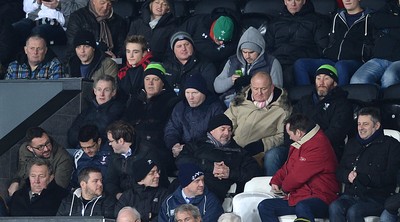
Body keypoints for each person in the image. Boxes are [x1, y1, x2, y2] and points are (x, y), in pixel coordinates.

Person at [258, 113, 340, 222]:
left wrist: (284, 189)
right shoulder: (302, 143)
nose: (290, 138)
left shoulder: (318, 145)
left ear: (299, 132)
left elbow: (297, 176)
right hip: (301, 196)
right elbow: (288, 166)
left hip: (321, 197)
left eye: (290, 134)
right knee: (265, 206)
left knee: (303, 206)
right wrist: (276, 180)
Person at [329, 107, 400, 222]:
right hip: (352, 195)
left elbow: (391, 176)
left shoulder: (391, 145)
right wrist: (347, 175)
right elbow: (339, 170)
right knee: (334, 207)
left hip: (377, 197)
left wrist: (366, 178)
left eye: (365, 124)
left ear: (376, 126)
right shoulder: (352, 144)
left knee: (354, 211)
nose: (361, 128)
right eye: (359, 124)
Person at [176, 114, 262, 202]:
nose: (227, 133)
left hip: (213, 192)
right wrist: (211, 167)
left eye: (229, 130)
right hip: (187, 184)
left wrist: (230, 173)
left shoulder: (238, 151)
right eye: (223, 129)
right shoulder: (197, 144)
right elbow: (181, 160)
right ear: (212, 130)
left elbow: (255, 172)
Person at [294, 0, 373, 86]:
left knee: (341, 66)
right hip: (332, 60)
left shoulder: (370, 18)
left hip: (356, 62)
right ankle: (308, 98)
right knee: (300, 64)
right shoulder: (336, 16)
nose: (347, 0)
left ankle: (339, 97)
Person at [224, 71, 291, 167]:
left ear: (272, 87)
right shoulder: (241, 101)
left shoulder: (282, 109)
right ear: (251, 87)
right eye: (255, 89)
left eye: (263, 89)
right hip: (234, 148)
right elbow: (228, 120)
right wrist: (228, 136)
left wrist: (262, 144)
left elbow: (282, 136)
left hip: (260, 153)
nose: (259, 93)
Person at [123, 62, 178, 173]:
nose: (150, 83)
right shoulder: (134, 100)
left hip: (157, 149)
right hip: (132, 147)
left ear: (163, 83)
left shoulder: (171, 102)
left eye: (155, 79)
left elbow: (168, 131)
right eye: (147, 79)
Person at [292, 64, 353, 161]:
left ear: (335, 83)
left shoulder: (343, 104)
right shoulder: (304, 101)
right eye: (318, 78)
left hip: (327, 150)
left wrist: (311, 145)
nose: (321, 82)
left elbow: (336, 132)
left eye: (326, 78)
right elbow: (292, 123)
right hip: (299, 146)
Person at [265, 0, 330, 88]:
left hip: (300, 61)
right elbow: (267, 48)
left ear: (304, 1)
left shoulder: (317, 21)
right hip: (278, 62)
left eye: (297, 0)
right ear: (285, 2)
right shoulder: (275, 22)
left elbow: (322, 48)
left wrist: (300, 55)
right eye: (289, 0)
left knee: (289, 74)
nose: (293, 3)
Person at [214, 26, 283, 106]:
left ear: (259, 50)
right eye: (244, 52)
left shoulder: (272, 63)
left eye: (251, 52)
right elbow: (217, 87)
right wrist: (231, 80)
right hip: (231, 101)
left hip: (259, 103)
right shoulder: (232, 61)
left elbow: (278, 90)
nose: (247, 56)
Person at [105, 120, 169, 200]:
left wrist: (130, 198)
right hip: (123, 199)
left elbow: (153, 182)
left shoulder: (147, 152)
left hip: (147, 199)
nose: (109, 144)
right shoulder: (114, 154)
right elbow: (110, 181)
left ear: (121, 141)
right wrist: (117, 194)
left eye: (111, 141)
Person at [164, 74, 225, 158]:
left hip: (207, 152)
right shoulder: (180, 107)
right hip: (182, 152)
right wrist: (174, 145)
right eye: (187, 93)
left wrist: (191, 148)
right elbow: (172, 129)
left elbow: (217, 135)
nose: (190, 97)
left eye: (195, 93)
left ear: (203, 93)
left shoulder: (215, 107)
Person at [8, 127, 73, 197]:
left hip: (48, 196)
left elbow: (58, 190)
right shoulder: (24, 150)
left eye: (48, 143)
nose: (46, 149)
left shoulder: (63, 158)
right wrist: (15, 182)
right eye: (40, 147)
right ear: (30, 148)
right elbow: (21, 172)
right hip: (26, 191)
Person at [350, 0, 400, 89]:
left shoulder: (389, 12)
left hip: (398, 60)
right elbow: (376, 20)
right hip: (379, 57)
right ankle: (376, 97)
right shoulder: (390, 6)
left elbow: (383, 22)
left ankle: (385, 101)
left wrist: (387, 30)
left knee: (389, 77)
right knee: (357, 80)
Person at [67, 74, 124, 148]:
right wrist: (84, 145)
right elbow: (72, 134)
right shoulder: (87, 110)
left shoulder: (118, 110)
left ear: (113, 92)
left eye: (106, 90)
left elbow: (109, 134)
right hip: (81, 149)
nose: (102, 94)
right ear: (95, 91)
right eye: (99, 89)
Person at [158, 163, 223, 222]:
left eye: (202, 180)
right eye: (197, 181)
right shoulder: (169, 202)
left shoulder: (211, 201)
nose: (202, 184)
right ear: (186, 184)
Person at [11, 0, 88, 48]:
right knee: (13, 30)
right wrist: (37, 2)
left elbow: (81, 10)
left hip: (58, 24)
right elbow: (26, 8)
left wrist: (59, 5)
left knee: (38, 33)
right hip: (33, 18)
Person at [163, 31, 217, 96]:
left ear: (192, 46)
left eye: (186, 44)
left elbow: (209, 91)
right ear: (173, 49)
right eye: (179, 46)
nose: (183, 48)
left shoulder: (205, 66)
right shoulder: (166, 65)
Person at [117, 35, 153, 102]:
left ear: (144, 53)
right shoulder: (122, 73)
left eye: (135, 52)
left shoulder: (150, 70)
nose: (131, 56)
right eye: (128, 51)